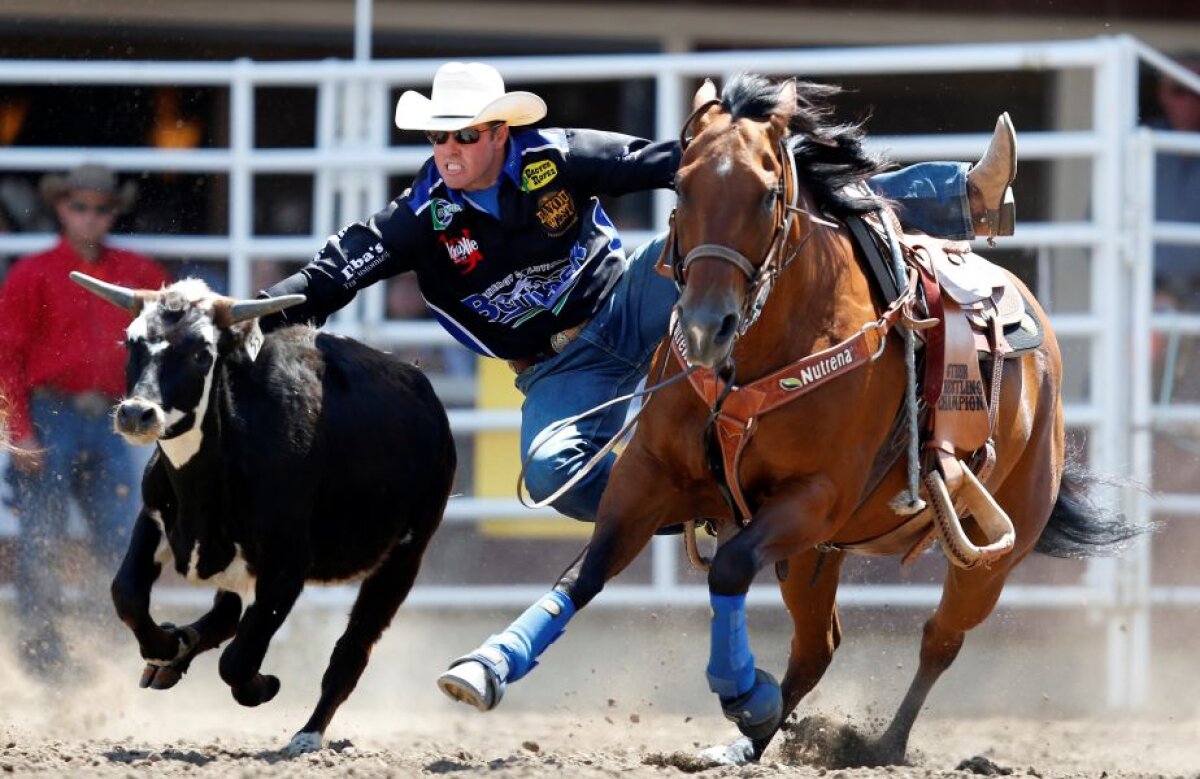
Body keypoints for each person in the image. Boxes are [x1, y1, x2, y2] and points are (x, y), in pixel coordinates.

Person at [255, 62, 1016, 703]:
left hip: (633, 299)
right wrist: (259, 312)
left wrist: (722, 134)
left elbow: (678, 166)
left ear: (498, 133)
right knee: (557, 473)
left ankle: (959, 195)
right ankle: (702, 498)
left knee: (736, 190)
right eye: (438, 136)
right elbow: (338, 269)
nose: (448, 149)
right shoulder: (417, 219)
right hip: (556, 367)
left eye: (465, 133)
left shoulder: (553, 155)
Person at [0, 163, 171, 679]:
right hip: (51, 415)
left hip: (110, 416)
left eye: (100, 208)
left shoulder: (138, 273)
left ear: (112, 212)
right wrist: (19, 430)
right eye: (80, 206)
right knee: (42, 539)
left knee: (118, 536)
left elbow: (167, 343)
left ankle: (101, 648)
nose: (90, 217)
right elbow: (8, 355)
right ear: (61, 208)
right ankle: (44, 654)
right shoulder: (33, 274)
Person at [1150, 54, 1200, 312]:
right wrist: (1149, 292)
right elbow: (1101, 223)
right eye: (1181, 90)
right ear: (1163, 94)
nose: (1190, 100)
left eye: (1197, 89)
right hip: (1154, 301)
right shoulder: (1141, 147)